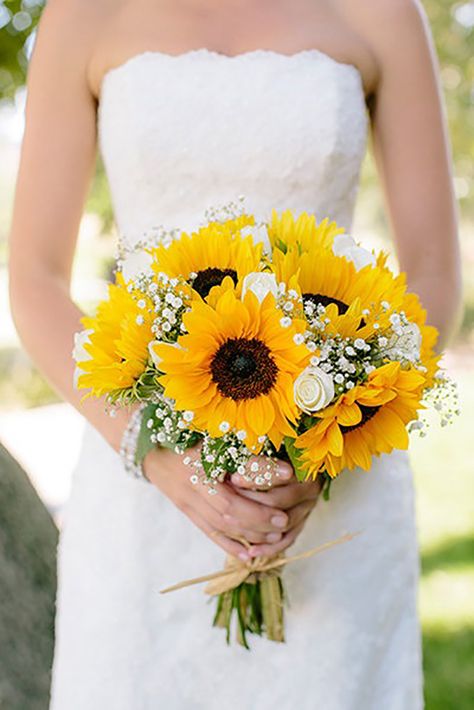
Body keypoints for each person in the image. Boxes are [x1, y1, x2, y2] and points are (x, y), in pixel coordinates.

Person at [8, 1, 462, 708]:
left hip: (338, 486)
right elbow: (33, 276)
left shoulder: (381, 12)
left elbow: (434, 269)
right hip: (139, 494)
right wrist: (150, 448)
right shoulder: (83, 13)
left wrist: (329, 439)